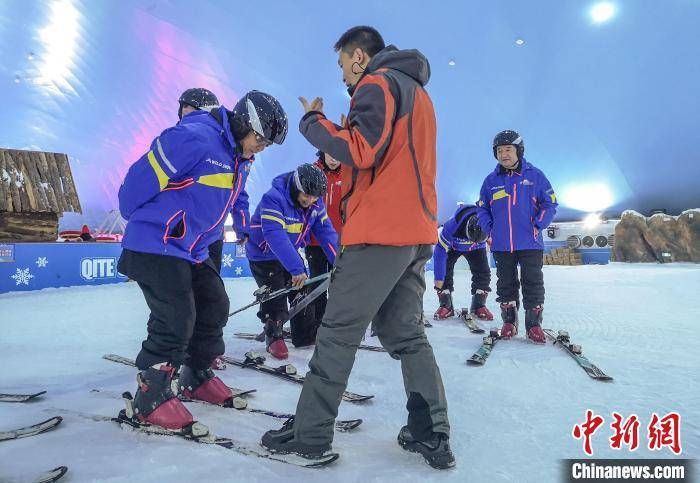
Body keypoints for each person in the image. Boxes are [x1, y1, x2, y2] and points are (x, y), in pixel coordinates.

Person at [261, 26, 455, 470]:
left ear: (359, 57)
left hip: (379, 233)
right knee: (405, 334)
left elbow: (360, 150)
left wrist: (314, 124)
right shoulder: (418, 93)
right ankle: (431, 434)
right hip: (416, 233)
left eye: (342, 63)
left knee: (337, 334)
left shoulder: (377, 84)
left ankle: (309, 436)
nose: (343, 75)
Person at [117, 91, 287, 431]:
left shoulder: (239, 156)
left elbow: (226, 202)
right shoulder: (192, 137)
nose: (262, 147)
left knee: (214, 305)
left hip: (193, 248)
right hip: (157, 242)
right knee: (178, 315)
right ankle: (150, 395)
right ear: (244, 123)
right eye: (261, 139)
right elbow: (131, 191)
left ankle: (196, 374)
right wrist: (155, 223)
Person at [245, 163, 338, 358]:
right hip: (264, 255)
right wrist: (296, 268)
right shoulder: (274, 198)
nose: (311, 200)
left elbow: (326, 232)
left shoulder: (314, 203)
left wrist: (339, 261)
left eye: (315, 197)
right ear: (297, 186)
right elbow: (274, 234)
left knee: (302, 291)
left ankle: (305, 335)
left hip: (290, 252)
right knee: (276, 293)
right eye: (307, 194)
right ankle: (274, 335)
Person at [476, 130, 558, 344]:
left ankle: (534, 325)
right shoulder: (491, 181)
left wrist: (539, 224)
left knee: (533, 282)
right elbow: (482, 208)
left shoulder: (535, 176)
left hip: (530, 241)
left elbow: (550, 203)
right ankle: (509, 322)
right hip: (502, 243)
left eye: (508, 150)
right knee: (506, 283)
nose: (504, 155)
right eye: (500, 151)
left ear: (519, 151)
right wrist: (489, 228)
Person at [302, 151, 342, 339]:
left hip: (340, 242)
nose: (334, 158)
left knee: (340, 283)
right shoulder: (312, 172)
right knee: (317, 283)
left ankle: (336, 322)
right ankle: (317, 322)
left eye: (338, 154)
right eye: (330, 154)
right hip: (315, 242)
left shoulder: (349, 174)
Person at [432, 204, 492, 320]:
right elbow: (439, 253)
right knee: (444, 271)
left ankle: (479, 305)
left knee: (483, 272)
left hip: (477, 247)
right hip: (453, 247)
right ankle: (446, 304)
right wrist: (439, 278)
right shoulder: (451, 226)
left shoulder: (488, 220)